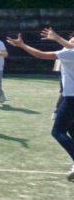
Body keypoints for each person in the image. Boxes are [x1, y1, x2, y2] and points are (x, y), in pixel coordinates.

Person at [6, 28, 74, 182]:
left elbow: (39, 55)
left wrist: (22, 45)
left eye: (72, 40)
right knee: (71, 128)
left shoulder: (69, 54)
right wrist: (57, 38)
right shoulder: (69, 51)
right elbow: (66, 45)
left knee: (58, 132)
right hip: (69, 97)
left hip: (71, 99)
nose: (69, 40)